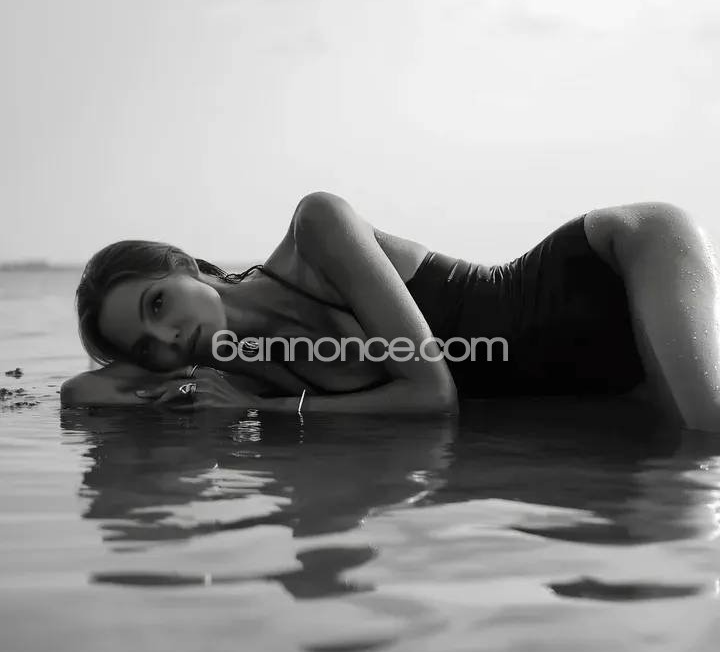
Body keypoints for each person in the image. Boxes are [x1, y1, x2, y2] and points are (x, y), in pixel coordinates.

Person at [60, 192, 720, 431]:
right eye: (146, 345)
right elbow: (80, 393)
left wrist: (270, 411)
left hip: (613, 269)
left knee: (706, 435)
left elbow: (433, 394)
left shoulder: (316, 232)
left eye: (157, 303)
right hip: (606, 372)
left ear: (188, 266)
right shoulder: (242, 374)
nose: (168, 335)